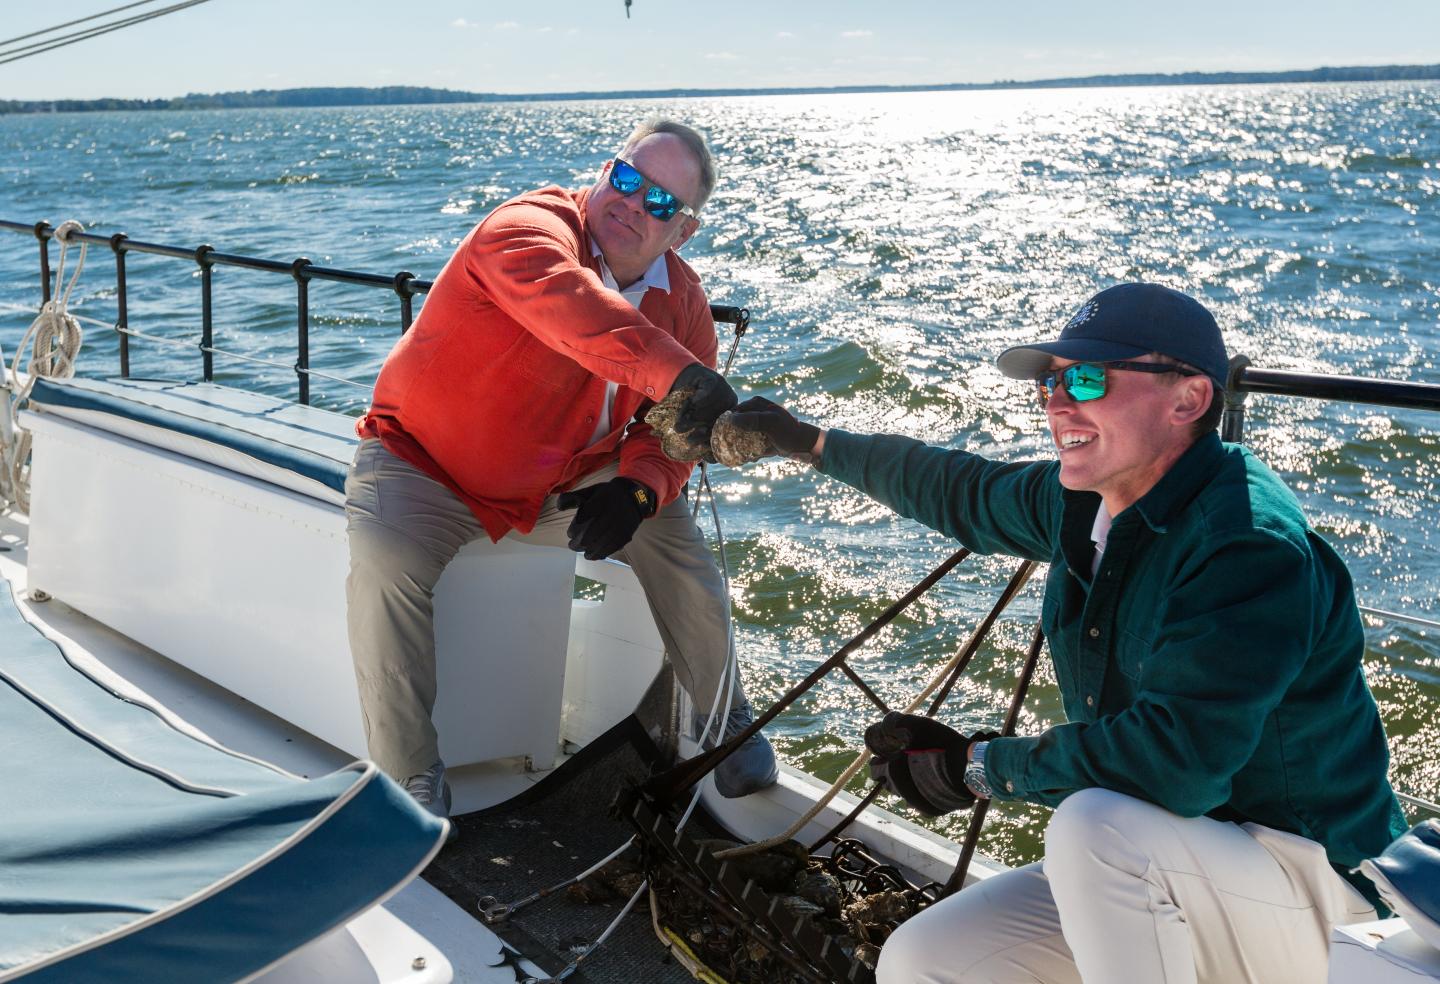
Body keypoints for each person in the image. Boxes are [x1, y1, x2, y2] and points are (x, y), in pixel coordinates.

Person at [729, 282, 1407, 983]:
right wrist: (803, 441)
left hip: (1319, 891)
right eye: (1051, 382)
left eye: (1087, 378)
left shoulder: (1246, 545)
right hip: (1178, 864)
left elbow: (1173, 767)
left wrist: (980, 766)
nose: (1057, 401)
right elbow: (960, 490)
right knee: (921, 961)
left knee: (1092, 827)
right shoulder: (1087, 501)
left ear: (1189, 400)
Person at [345, 118, 778, 823]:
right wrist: (683, 377)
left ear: (684, 232)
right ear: (605, 172)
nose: (633, 203)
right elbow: (573, 308)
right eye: (627, 177)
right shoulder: (525, 228)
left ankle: (727, 719)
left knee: (670, 532)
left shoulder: (686, 306)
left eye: (661, 203)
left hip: (557, 486)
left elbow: (663, 439)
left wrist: (638, 489)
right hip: (422, 466)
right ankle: (411, 783)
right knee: (384, 566)